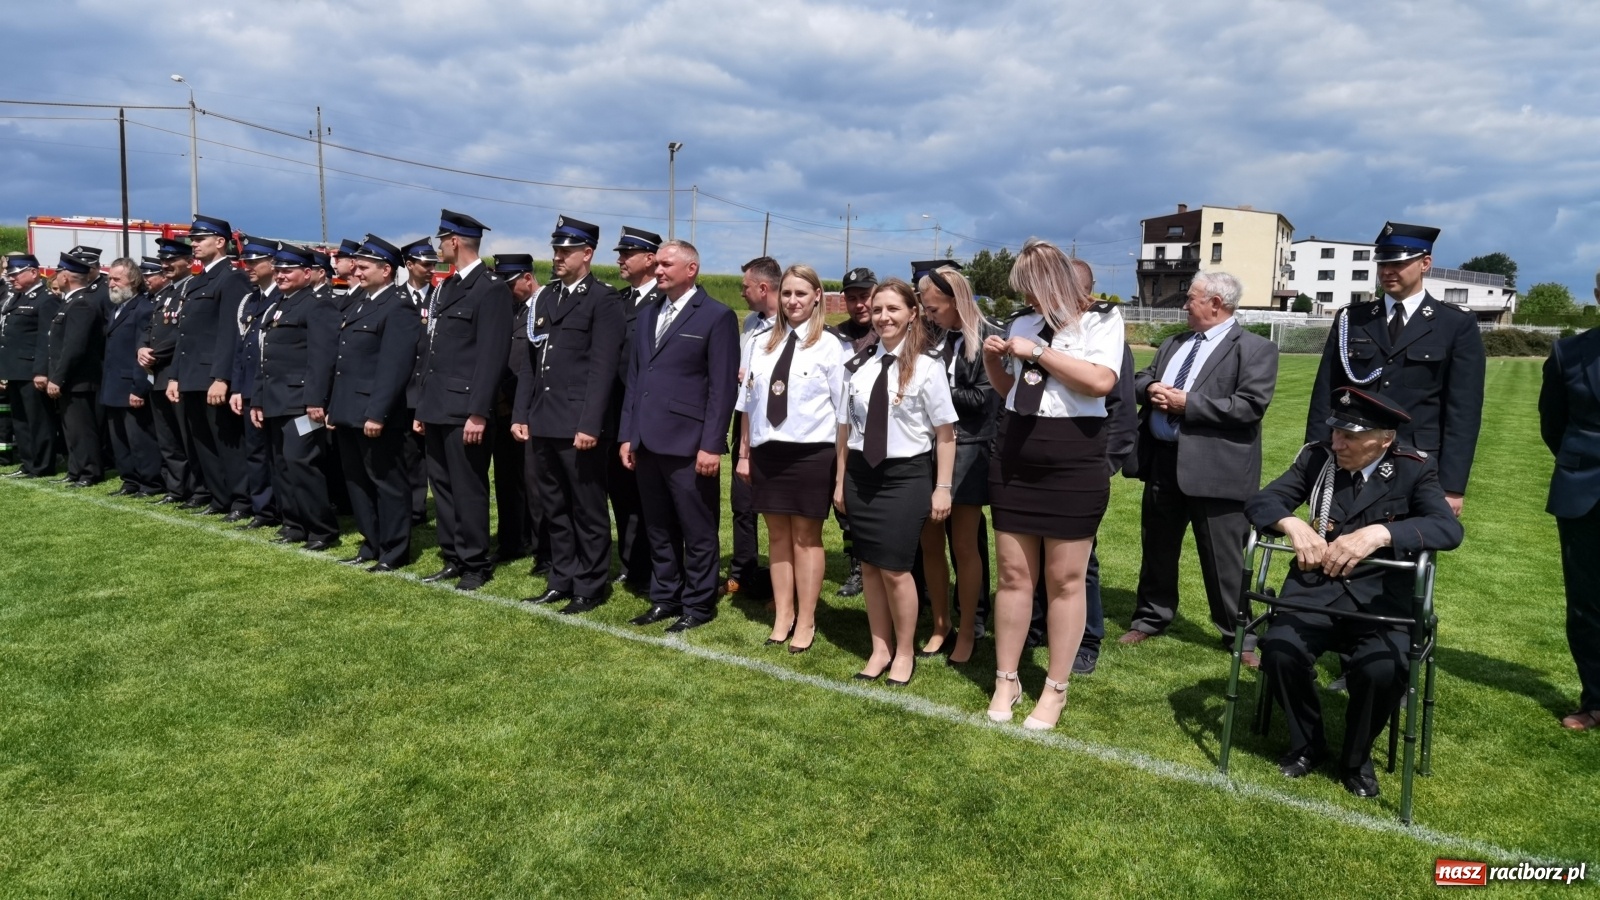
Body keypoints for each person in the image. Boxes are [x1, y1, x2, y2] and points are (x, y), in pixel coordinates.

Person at [1248, 387, 1463, 798]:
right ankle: (1308, 743)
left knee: (1381, 669)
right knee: (1279, 651)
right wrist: (1292, 525)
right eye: (1335, 432)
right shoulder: (1318, 459)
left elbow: (1448, 529)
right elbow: (1264, 500)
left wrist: (1381, 533)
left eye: (1350, 436)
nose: (1337, 442)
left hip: (1380, 601)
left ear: (1385, 439)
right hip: (1315, 591)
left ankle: (1355, 758)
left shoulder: (1414, 469)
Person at [981, 238, 1122, 730]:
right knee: (1014, 576)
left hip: (1073, 457)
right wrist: (995, 361)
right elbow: (1012, 392)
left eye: (1032, 288)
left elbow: (1101, 382)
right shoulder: (1022, 322)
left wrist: (1039, 351)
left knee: (1065, 580)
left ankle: (1055, 688)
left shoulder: (1102, 319)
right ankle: (1006, 678)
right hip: (1016, 453)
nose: (1030, 299)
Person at [1120, 271, 1279, 667]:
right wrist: (1150, 389)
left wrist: (1186, 404)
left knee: (1223, 558)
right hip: (1163, 462)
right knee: (1157, 548)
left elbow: (1249, 406)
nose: (1184, 305)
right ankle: (1151, 617)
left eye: (1190, 298)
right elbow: (1140, 377)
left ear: (1216, 304)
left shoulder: (1255, 349)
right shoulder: (1174, 342)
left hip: (1216, 471)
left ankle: (1238, 635)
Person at [1307, 222, 1484, 517]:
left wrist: (1453, 486)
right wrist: (1316, 461)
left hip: (1417, 462)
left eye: (1399, 262)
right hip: (1352, 455)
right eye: (1383, 263)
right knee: (1335, 548)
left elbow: (1463, 411)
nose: (1388, 270)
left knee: (1405, 551)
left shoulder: (1455, 323)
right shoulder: (1353, 318)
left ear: (1425, 263)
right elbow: (1325, 394)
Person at [833, 277, 957, 685]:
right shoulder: (859, 366)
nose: (884, 316)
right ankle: (879, 647)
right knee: (869, 566)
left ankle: (904, 652)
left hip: (906, 478)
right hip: (861, 477)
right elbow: (846, 432)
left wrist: (942, 487)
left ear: (912, 314)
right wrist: (839, 483)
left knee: (896, 569)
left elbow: (945, 435)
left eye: (894, 309)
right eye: (879, 308)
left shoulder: (927, 367)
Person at [618, 240, 740, 632]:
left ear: (691, 269)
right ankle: (665, 597)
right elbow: (637, 380)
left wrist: (711, 445)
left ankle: (699, 604)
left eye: (667, 264)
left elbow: (723, 389)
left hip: (689, 444)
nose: (658, 270)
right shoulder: (648, 314)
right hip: (647, 441)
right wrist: (627, 435)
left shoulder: (716, 317)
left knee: (697, 528)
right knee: (657, 526)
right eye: (658, 265)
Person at [513, 217, 624, 615]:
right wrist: (522, 412)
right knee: (553, 507)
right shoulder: (545, 298)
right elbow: (531, 362)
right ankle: (561, 578)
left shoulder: (603, 300)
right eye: (555, 250)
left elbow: (603, 368)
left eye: (565, 251)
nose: (557, 257)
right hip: (544, 419)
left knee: (587, 508)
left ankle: (590, 584)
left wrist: (590, 424)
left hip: (579, 424)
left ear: (587, 254)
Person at [736, 264, 846, 652]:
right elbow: (747, 402)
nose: (793, 301)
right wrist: (745, 453)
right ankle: (783, 614)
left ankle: (807, 618)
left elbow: (842, 412)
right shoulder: (761, 342)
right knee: (777, 537)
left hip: (811, 454)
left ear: (817, 296)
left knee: (806, 538)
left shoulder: (830, 345)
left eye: (801, 293)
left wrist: (841, 469)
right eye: (787, 294)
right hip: (768, 452)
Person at [413, 209, 513, 592]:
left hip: (465, 408)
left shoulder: (490, 290)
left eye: (441, 240)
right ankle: (453, 555)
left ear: (455, 241)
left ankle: (475, 561)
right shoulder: (446, 287)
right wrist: (423, 407)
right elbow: (433, 350)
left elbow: (491, 356)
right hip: (437, 404)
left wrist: (478, 412)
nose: (438, 247)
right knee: (443, 485)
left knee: (468, 486)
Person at [914, 263, 998, 664]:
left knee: (964, 546)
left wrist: (935, 392)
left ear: (955, 300)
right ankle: (940, 623)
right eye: (927, 310)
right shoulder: (931, 336)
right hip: (926, 449)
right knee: (929, 542)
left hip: (968, 452)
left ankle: (968, 629)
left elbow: (985, 399)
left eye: (934, 309)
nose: (929, 316)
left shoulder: (986, 337)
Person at [328, 235, 422, 573]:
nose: (357, 270)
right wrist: (333, 409)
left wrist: (377, 413)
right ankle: (372, 543)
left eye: (365, 266)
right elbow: (344, 363)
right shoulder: (362, 303)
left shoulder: (398, 307)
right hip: (348, 411)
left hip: (374, 413)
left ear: (386, 270)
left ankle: (394, 550)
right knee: (357, 482)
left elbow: (393, 368)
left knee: (386, 482)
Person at [251, 243, 342, 552]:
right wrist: (258, 400)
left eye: (287, 271)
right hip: (276, 400)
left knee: (302, 462)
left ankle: (321, 529)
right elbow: (266, 357)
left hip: (302, 403)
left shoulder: (317, 305)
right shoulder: (279, 305)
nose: (280, 275)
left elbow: (322, 358)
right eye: (277, 270)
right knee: (281, 464)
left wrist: (316, 400)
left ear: (307, 273)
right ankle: (294, 524)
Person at [1538, 321, 1600, 731]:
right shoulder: (1568, 353)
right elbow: (1552, 422)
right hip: (1584, 492)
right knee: (1587, 604)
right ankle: (1596, 701)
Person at [173, 214, 251, 517]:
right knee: (203, 442)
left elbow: (230, 332)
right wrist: (176, 377)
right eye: (192, 240)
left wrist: (221, 377)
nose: (193, 244)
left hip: (212, 375)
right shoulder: (198, 280)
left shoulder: (231, 278)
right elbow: (186, 332)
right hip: (192, 374)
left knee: (227, 442)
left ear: (220, 242)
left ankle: (241, 501)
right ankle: (220, 499)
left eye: (199, 239)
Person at [608, 226, 661, 589]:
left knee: (650, 499)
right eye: (620, 253)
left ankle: (653, 565)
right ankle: (631, 563)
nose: (621, 260)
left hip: (647, 414)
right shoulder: (620, 301)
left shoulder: (661, 300)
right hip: (615, 413)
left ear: (650, 259)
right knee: (622, 493)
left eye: (628, 253)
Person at [494, 252, 549, 574]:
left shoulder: (546, 307)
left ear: (527, 278)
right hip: (506, 408)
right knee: (507, 480)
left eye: (511, 283)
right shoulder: (512, 311)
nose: (507, 290)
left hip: (536, 409)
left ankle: (543, 547)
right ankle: (512, 540)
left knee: (538, 486)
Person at [729, 255, 780, 598]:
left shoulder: (790, 325)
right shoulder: (749, 322)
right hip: (743, 416)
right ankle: (742, 571)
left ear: (763, 288)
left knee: (777, 510)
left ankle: (781, 586)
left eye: (745, 286)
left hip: (776, 421)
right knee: (740, 501)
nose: (742, 292)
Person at [832, 266, 879, 598]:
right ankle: (857, 566)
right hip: (845, 429)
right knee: (845, 505)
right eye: (852, 298)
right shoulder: (834, 338)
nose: (859, 304)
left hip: (887, 432)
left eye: (865, 296)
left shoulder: (893, 331)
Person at [138, 239, 196, 505]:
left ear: (188, 261)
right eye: (163, 261)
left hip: (179, 371)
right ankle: (176, 488)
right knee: (168, 438)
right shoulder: (165, 295)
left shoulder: (193, 289)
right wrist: (142, 348)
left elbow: (183, 334)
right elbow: (151, 329)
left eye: (172, 260)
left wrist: (156, 352)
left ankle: (197, 489)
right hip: (157, 373)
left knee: (187, 437)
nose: (166, 265)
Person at [230, 235, 282, 529]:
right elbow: (242, 348)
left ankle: (282, 510)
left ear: (272, 264)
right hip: (250, 386)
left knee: (277, 455)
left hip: (274, 388)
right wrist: (237, 387)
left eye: (253, 261)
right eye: (245, 261)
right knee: (256, 453)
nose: (247, 266)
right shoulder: (251, 299)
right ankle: (264, 510)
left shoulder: (281, 297)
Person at [100, 258, 161, 496]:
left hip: (131, 386)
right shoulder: (117, 308)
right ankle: (130, 480)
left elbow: (142, 352)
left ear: (133, 281)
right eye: (109, 279)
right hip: (113, 385)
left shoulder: (143, 309)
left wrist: (139, 387)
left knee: (140, 439)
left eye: (116, 279)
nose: (111, 284)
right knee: (120, 439)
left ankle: (150, 483)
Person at [47, 250, 108, 487]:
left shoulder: (82, 304)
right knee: (71, 428)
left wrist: (58, 378)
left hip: (80, 380)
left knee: (82, 429)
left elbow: (74, 347)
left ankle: (89, 472)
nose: (57, 276)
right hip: (71, 379)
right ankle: (76, 470)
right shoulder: (71, 302)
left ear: (67, 277)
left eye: (60, 272)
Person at [0, 255, 62, 478]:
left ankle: (42, 465)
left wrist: (41, 371)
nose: (11, 278)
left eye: (15, 274)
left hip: (32, 370)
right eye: (10, 274)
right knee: (21, 419)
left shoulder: (45, 299)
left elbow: (47, 339)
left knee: (39, 420)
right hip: (15, 369)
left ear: (33, 273)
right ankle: (28, 463)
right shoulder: (15, 298)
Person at [397, 239, 436, 528]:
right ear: (409, 265)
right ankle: (411, 507)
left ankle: (421, 505)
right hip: (403, 389)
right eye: (425, 263)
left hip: (431, 388)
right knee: (408, 453)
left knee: (431, 455)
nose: (430, 268)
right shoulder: (396, 297)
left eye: (433, 263)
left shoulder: (439, 297)